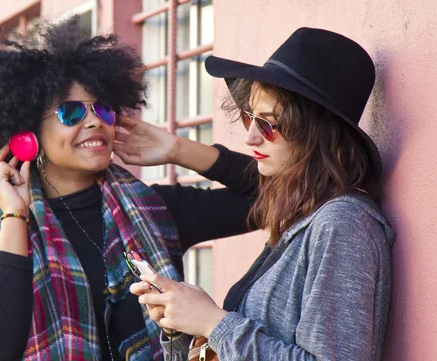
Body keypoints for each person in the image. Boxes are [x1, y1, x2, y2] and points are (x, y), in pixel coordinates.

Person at [0, 16, 257, 361]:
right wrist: (13, 216)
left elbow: (284, 196)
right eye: (71, 113)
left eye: (102, 109)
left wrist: (179, 150)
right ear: (28, 134)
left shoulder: (156, 211)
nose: (95, 121)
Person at [130, 27, 395, 360]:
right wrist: (183, 325)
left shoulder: (342, 224)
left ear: (318, 134)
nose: (251, 137)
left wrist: (214, 322)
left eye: (269, 124)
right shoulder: (303, 217)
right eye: (248, 117)